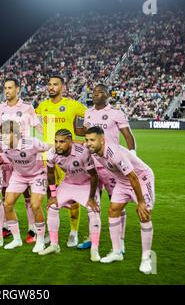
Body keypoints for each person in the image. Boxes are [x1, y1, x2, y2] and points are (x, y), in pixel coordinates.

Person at [85, 126, 155, 274]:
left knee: (144, 214)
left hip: (141, 178)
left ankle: (146, 259)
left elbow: (133, 177)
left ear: (102, 140)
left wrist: (141, 202)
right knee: (113, 210)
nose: (88, 143)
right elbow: (77, 143)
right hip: (122, 181)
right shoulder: (94, 151)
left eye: (92, 140)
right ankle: (117, 252)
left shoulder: (114, 153)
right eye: (87, 140)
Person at [76, 83, 136, 251]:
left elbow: (128, 136)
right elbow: (87, 136)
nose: (96, 94)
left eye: (100, 92)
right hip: (92, 164)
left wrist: (132, 156)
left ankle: (120, 241)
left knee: (116, 203)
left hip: (111, 165)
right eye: (94, 92)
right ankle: (91, 237)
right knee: (93, 202)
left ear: (108, 95)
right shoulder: (87, 113)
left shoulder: (116, 113)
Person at [35, 75, 86, 247]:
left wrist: (83, 137)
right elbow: (31, 122)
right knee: (51, 195)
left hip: (68, 157)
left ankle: (73, 232)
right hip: (47, 157)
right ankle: (51, 231)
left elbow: (91, 116)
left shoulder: (72, 105)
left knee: (73, 196)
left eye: (55, 84)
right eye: (49, 84)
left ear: (62, 87)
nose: (51, 87)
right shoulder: (43, 106)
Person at [0, 78, 43, 243]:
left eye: (10, 88)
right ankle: (6, 226)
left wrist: (43, 148)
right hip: (7, 156)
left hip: (24, 155)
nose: (7, 91)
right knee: (6, 192)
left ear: (17, 89)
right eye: (5, 88)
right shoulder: (0, 108)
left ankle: (32, 229)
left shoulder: (28, 108)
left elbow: (38, 128)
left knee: (28, 194)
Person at [39, 129, 101, 262]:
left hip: (86, 185)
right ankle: (54, 245)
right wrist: (53, 195)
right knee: (52, 207)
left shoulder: (83, 152)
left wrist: (91, 198)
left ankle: (94, 249)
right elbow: (50, 174)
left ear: (71, 142)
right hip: (68, 183)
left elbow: (94, 176)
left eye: (62, 141)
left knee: (93, 210)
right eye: (56, 141)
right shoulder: (52, 153)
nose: (58, 145)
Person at [0, 120, 51, 253]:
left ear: (15, 134)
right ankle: (16, 239)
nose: (3, 137)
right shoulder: (4, 147)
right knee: (7, 204)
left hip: (37, 175)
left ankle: (40, 240)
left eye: (6, 133)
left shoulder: (32, 142)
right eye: (2, 134)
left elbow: (49, 147)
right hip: (19, 176)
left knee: (35, 205)